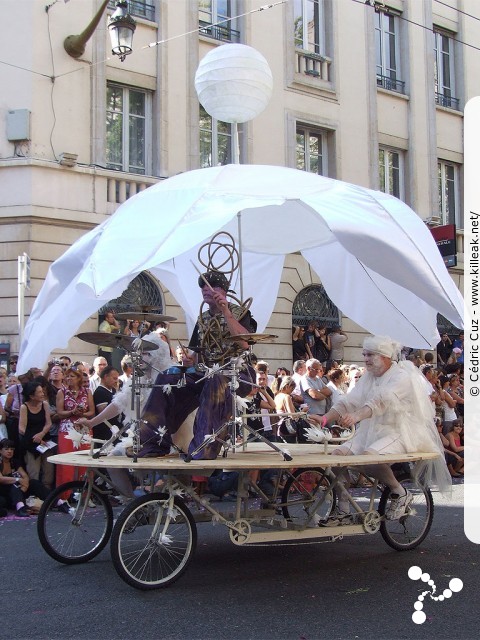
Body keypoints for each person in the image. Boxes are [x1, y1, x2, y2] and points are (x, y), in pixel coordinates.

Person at [321, 335, 451, 524]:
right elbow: (349, 401)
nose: (366, 359)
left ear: (385, 357)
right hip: (369, 431)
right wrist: (325, 418)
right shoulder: (369, 377)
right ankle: (344, 510)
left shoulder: (402, 377)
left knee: (369, 460)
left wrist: (356, 417)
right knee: (336, 458)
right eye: (364, 354)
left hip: (398, 432)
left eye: (371, 354)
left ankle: (400, 492)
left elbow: (381, 401)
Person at [138, 270, 257, 459]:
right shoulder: (202, 319)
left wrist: (226, 312)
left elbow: (245, 343)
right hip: (206, 372)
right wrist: (191, 360)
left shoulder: (240, 313)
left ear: (224, 291)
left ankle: (203, 449)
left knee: (216, 380)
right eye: (203, 287)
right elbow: (197, 354)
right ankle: (151, 443)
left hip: (237, 374)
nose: (205, 290)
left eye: (212, 287)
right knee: (167, 377)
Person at [55, 368, 95, 489]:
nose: (69, 379)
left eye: (72, 376)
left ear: (78, 378)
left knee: (86, 461)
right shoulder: (62, 392)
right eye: (67, 376)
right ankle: (63, 496)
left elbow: (92, 412)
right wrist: (72, 412)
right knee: (66, 461)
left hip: (84, 429)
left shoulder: (87, 392)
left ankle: (85, 494)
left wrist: (82, 414)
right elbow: (60, 413)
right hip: (67, 429)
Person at [0, 438, 61, 517]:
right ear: (0, 451)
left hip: (18, 492)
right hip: (5, 494)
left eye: (12, 449)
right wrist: (18, 479)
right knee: (14, 485)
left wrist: (25, 484)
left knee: (33, 482)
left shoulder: (14, 462)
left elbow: (25, 476)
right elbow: (1, 479)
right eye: (6, 449)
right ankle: (20, 508)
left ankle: (58, 502)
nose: (9, 451)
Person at [18, 381, 54, 489]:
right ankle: (35, 495)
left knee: (49, 472)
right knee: (34, 472)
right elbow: (21, 428)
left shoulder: (45, 404)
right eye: (39, 392)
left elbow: (49, 423)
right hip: (31, 443)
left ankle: (48, 496)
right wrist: (35, 437)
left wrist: (42, 434)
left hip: (45, 441)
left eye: (42, 391)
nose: (43, 393)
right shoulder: (24, 407)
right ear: (31, 396)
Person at [300, 359, 332, 424]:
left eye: (319, 370)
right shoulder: (305, 379)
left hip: (322, 413)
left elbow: (329, 391)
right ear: (309, 368)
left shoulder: (318, 378)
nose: (318, 371)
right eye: (316, 369)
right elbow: (314, 395)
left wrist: (318, 391)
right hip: (312, 413)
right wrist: (324, 395)